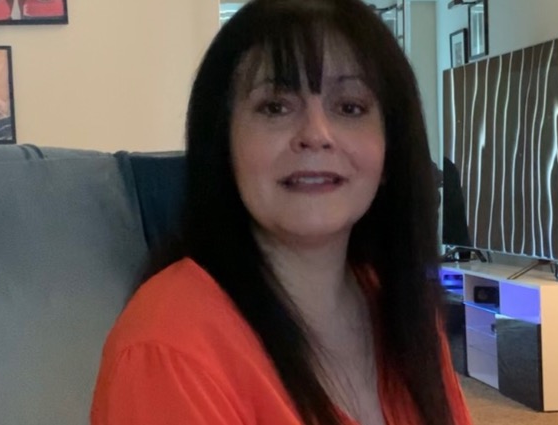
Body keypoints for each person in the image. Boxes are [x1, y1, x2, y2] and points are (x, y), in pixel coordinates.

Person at [90, 1, 472, 424]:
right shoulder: (166, 349)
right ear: (223, 143)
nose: (316, 134)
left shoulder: (402, 310)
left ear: (390, 150)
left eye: (349, 107)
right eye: (275, 106)